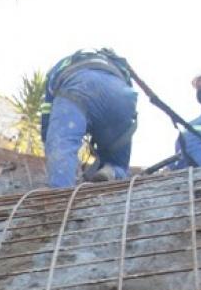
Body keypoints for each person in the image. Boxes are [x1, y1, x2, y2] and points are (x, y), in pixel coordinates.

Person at [40, 48, 139, 187]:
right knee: (118, 163)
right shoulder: (117, 64)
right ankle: (112, 171)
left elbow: (47, 116)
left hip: (80, 88)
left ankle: (61, 195)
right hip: (122, 96)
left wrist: (50, 146)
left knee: (63, 146)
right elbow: (129, 105)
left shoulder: (59, 67)